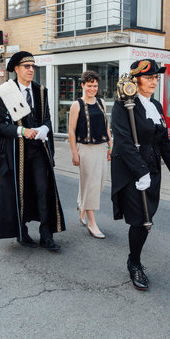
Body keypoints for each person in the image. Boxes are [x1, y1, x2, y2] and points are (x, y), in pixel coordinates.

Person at [111, 59, 170, 290]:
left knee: (147, 217)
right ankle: (134, 263)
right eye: (148, 77)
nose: (153, 81)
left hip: (152, 171)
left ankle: (135, 258)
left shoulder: (157, 106)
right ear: (136, 79)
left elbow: (163, 142)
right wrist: (141, 172)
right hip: (132, 172)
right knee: (141, 221)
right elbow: (123, 143)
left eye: (155, 77)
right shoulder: (123, 106)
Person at [0, 51, 65, 251]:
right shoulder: (4, 92)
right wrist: (21, 130)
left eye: (33, 66)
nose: (31, 70)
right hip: (16, 151)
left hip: (38, 151)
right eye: (27, 66)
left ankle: (46, 234)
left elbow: (48, 119)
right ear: (16, 69)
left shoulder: (41, 91)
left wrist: (45, 129)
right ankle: (21, 231)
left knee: (43, 190)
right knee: (19, 192)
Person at [68, 70, 112, 239]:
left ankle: (82, 206)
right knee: (91, 185)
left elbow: (106, 126)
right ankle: (92, 222)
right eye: (89, 85)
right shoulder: (76, 105)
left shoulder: (101, 102)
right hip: (84, 149)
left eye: (95, 85)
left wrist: (110, 146)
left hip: (101, 148)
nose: (92, 88)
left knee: (98, 183)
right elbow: (71, 131)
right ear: (82, 85)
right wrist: (74, 153)